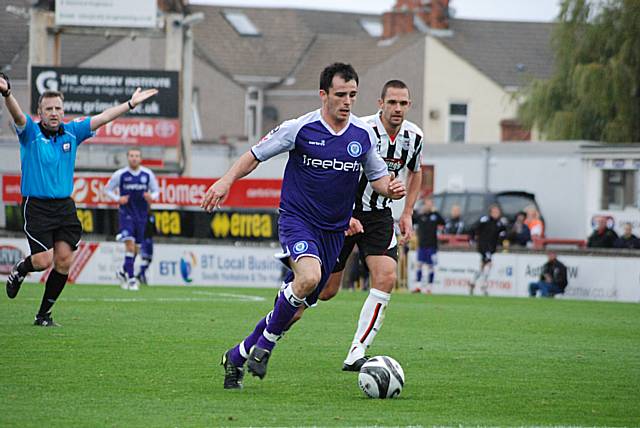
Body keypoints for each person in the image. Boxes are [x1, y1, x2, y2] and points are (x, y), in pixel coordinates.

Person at [201, 63, 406, 389]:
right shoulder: (299, 128)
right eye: (341, 94)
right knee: (308, 278)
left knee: (296, 307)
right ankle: (265, 345)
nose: (347, 101)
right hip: (298, 221)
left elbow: (378, 178)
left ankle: (237, 355)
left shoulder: (362, 135)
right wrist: (226, 181)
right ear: (323, 94)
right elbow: (254, 155)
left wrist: (390, 188)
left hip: (333, 232)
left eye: (353, 95)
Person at [1, 71, 157, 326]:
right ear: (40, 112)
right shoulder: (30, 133)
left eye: (58, 108)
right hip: (37, 205)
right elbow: (18, 115)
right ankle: (20, 270)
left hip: (64, 206)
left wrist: (130, 104)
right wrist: (7, 93)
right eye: (48, 108)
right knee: (42, 261)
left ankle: (43, 316)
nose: (54, 112)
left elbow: (104, 117)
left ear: (63, 111)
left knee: (64, 262)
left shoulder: (72, 132)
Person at [105, 148, 159, 291]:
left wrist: (151, 197)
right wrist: (118, 198)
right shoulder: (120, 174)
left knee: (136, 249)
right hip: (126, 214)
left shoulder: (147, 174)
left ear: (140, 158)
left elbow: (156, 191)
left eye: (136, 156)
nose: (134, 158)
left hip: (141, 216)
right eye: (131, 156)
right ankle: (131, 278)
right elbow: (107, 189)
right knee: (129, 245)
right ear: (128, 158)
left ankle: (122, 272)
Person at [469, 204, 506, 296]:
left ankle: (472, 282)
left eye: (498, 212)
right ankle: (484, 286)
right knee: (489, 264)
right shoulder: (485, 220)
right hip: (483, 246)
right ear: (490, 212)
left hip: (491, 247)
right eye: (494, 212)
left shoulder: (499, 223)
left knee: (482, 267)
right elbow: (474, 228)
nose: (496, 214)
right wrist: (472, 239)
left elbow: (503, 233)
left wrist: (501, 240)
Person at [413, 196, 445, 294]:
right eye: (427, 204)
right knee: (419, 264)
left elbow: (443, 222)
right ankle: (418, 286)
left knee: (430, 266)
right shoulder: (420, 216)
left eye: (430, 204)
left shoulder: (435, 216)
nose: (428, 206)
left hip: (432, 245)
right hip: (422, 244)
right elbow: (412, 219)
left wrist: (436, 212)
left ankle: (429, 287)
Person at [136, 212, 156, 285]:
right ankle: (141, 275)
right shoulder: (141, 215)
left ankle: (140, 274)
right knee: (145, 258)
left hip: (150, 239)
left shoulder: (152, 216)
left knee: (149, 259)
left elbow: (153, 227)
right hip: (144, 239)